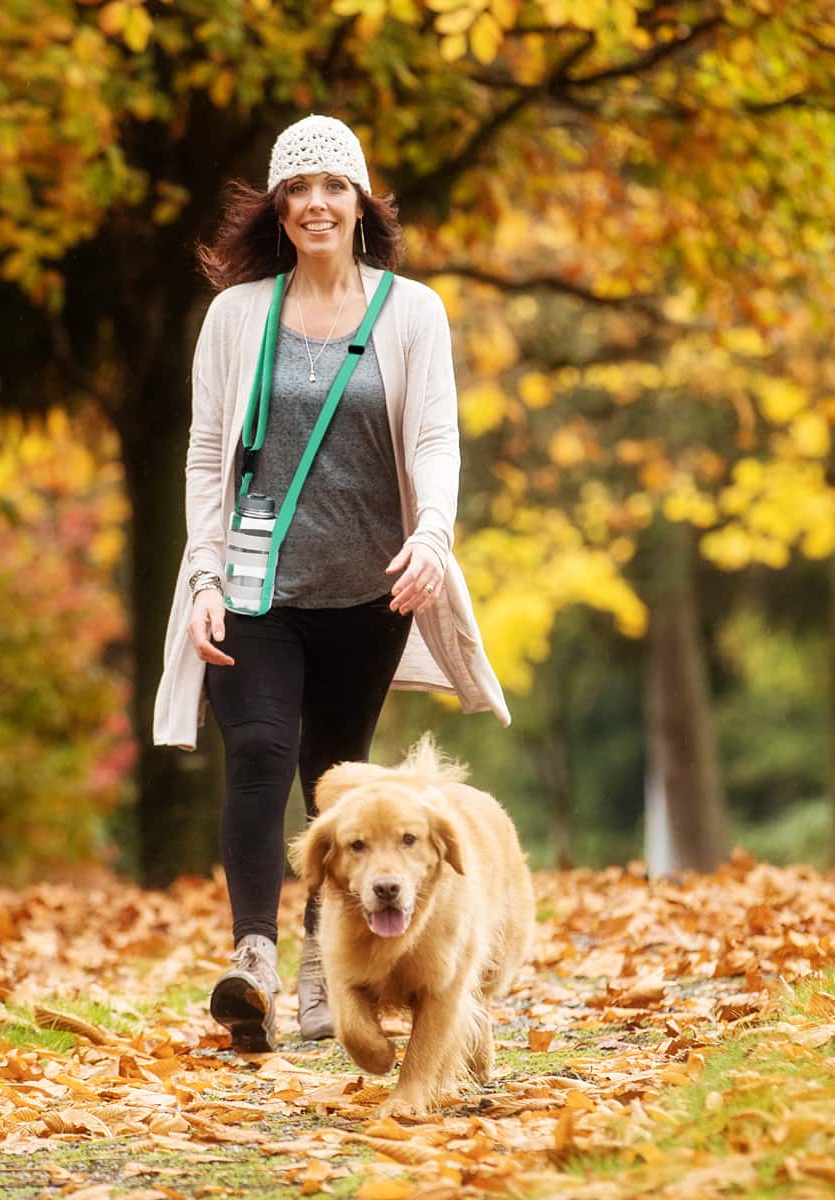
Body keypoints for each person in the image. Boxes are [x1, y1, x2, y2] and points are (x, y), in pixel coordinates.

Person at [153, 114, 510, 1053]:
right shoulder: (236, 317)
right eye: (298, 187)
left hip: (367, 592)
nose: (316, 202)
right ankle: (254, 963)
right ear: (279, 207)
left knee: (336, 782)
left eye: (333, 186)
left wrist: (433, 534)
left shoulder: (412, 312)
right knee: (261, 750)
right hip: (254, 586)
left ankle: (326, 965)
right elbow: (203, 457)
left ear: (361, 205)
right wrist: (201, 576)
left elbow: (435, 438)